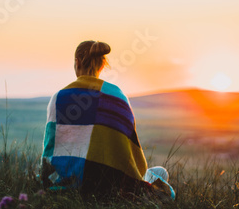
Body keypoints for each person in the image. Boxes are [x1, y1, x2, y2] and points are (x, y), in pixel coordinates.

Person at [41, 40, 175, 199]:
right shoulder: (117, 96)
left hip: (66, 187)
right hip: (110, 189)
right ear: (102, 65)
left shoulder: (58, 98)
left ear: (77, 63)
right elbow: (131, 154)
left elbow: (49, 153)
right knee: (160, 173)